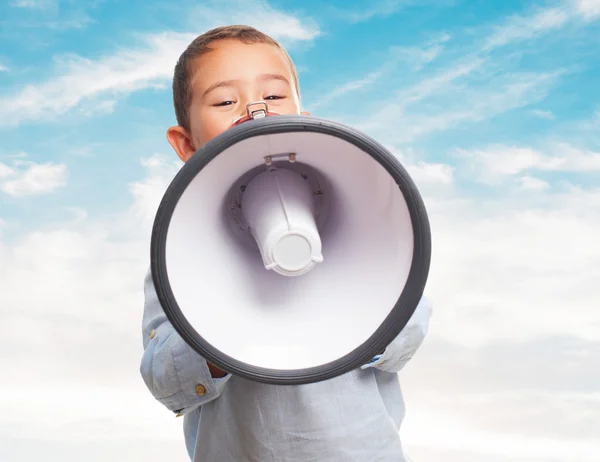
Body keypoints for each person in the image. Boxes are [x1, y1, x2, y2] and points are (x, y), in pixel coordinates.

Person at [140, 25, 433, 462]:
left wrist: (349, 301)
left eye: (275, 96)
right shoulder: (179, 253)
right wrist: (218, 328)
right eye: (224, 101)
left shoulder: (375, 222)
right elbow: (164, 379)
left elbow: (408, 330)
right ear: (186, 143)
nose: (255, 110)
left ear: (304, 117)